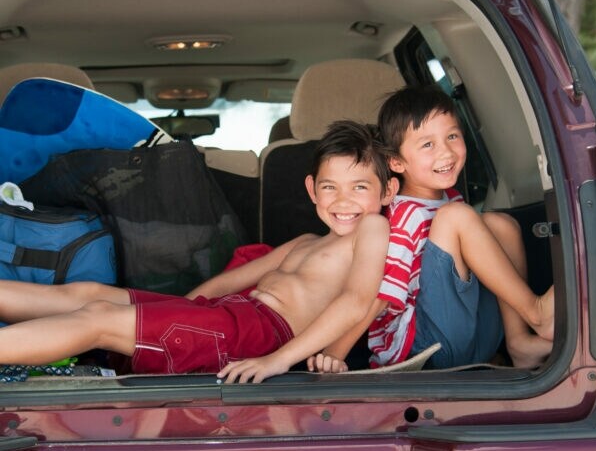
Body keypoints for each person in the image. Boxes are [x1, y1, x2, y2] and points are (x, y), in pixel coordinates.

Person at [0, 121, 395, 384]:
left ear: (389, 191)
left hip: (257, 336)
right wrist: (183, 306)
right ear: (311, 189)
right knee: (89, 294)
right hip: (227, 314)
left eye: (360, 187)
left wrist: (279, 361)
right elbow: (230, 280)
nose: (344, 201)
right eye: (330, 187)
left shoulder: (372, 229)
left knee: (98, 319)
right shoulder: (305, 242)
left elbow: (358, 301)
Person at [309, 85, 554, 373]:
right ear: (396, 162)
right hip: (421, 350)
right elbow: (379, 297)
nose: (446, 152)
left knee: (501, 224)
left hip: (465, 337)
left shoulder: (448, 198)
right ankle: (536, 314)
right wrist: (334, 354)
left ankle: (519, 342)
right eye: (428, 144)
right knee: (457, 217)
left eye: (452, 136)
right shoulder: (404, 215)